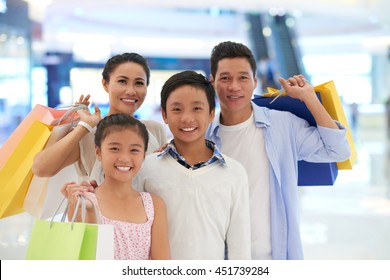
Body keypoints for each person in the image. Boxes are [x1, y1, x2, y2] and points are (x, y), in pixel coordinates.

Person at [207, 41, 351, 260]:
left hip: (276, 256)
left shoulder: (282, 125)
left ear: (255, 81)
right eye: (225, 78)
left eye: (243, 77)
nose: (234, 86)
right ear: (212, 81)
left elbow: (338, 151)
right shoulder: (203, 135)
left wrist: (310, 98)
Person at [133, 70, 251, 260]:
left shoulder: (234, 172)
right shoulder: (146, 167)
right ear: (164, 115)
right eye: (177, 109)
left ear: (211, 113)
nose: (187, 118)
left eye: (197, 108)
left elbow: (240, 248)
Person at [32, 53, 167, 185]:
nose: (131, 91)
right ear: (105, 84)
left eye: (139, 83)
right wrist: (83, 127)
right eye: (122, 81)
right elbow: (41, 169)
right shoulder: (89, 132)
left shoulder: (154, 129)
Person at [62, 113, 170, 260]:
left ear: (144, 155)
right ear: (98, 152)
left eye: (134, 150)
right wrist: (89, 211)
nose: (124, 158)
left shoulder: (154, 205)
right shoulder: (84, 202)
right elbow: (86, 260)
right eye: (114, 149)